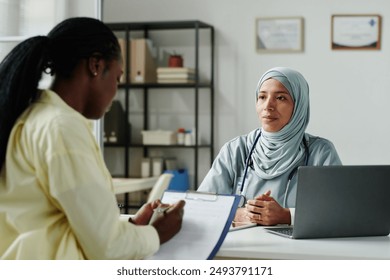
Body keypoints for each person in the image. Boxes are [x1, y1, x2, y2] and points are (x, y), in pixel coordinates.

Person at [0, 17, 185, 260]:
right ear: (96, 66)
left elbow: (70, 225)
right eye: (117, 78)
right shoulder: (62, 127)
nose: (116, 91)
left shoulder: (34, 116)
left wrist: (130, 228)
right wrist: (157, 233)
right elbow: (106, 248)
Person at [198, 67, 341, 226]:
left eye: (280, 98)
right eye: (262, 97)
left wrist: (286, 216)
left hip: (300, 248)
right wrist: (243, 214)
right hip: (244, 247)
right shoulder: (236, 149)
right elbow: (202, 206)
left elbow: (339, 211)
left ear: (299, 105)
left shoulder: (321, 152)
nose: (268, 106)